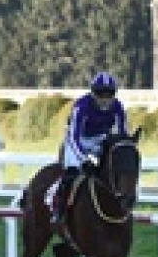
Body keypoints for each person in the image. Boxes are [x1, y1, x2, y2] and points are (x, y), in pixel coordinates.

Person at [53, 72, 128, 224]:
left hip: (100, 139)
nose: (105, 99)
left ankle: (119, 202)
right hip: (78, 140)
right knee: (72, 171)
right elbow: (74, 137)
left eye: (109, 94)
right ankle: (59, 211)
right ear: (93, 93)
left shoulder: (118, 107)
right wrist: (84, 160)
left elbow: (122, 133)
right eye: (101, 94)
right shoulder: (81, 106)